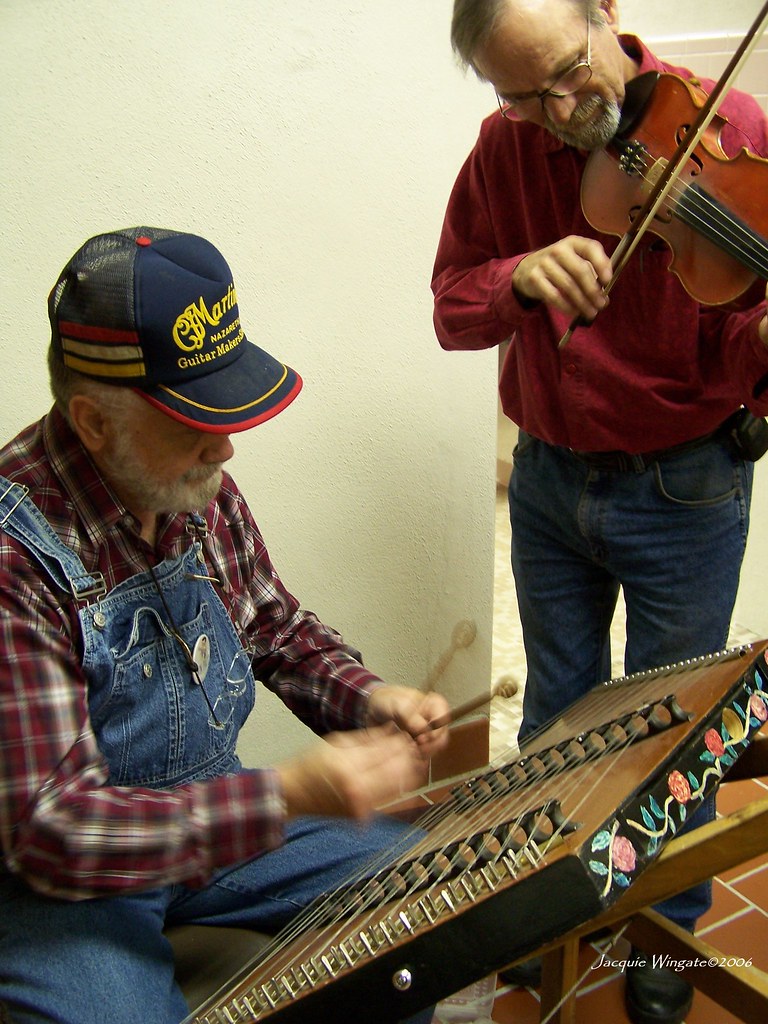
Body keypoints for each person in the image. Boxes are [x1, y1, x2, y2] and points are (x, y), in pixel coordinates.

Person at [0, 226, 451, 1024]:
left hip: (209, 819)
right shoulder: (14, 557)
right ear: (94, 423)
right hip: (62, 882)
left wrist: (369, 698)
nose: (228, 446)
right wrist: (286, 794)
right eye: (195, 418)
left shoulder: (189, 483)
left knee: (427, 906)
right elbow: (51, 826)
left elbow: (272, 626)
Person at [432, 2, 768, 1022]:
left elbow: (747, 351)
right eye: (524, 93)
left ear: (607, 15)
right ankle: (538, 915)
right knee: (554, 717)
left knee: (671, 732)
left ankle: (661, 938)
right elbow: (452, 301)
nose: (560, 111)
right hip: (547, 480)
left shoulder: (734, 134)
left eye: (569, 75)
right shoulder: (506, 150)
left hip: (686, 486)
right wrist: (517, 279)